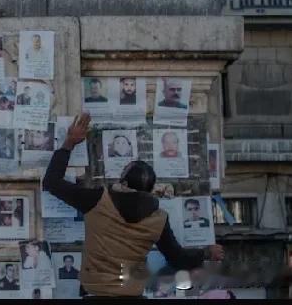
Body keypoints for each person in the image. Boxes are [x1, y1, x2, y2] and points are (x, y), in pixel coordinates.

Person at [43, 113, 224, 297]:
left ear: (125, 183)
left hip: (95, 293)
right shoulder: (158, 219)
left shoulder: (98, 200)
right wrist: (206, 253)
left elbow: (51, 182)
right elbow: (178, 259)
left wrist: (70, 143)